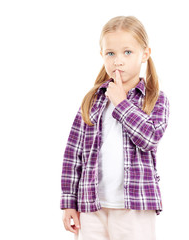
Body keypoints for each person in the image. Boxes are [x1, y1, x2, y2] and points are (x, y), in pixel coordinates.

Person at [60, 15, 170, 240]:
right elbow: (73, 154)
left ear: (145, 54)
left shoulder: (155, 98)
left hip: (135, 205)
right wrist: (69, 202)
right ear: (102, 56)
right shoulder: (92, 99)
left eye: (127, 52)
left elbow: (150, 138)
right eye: (111, 53)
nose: (118, 61)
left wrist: (121, 102)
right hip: (92, 205)